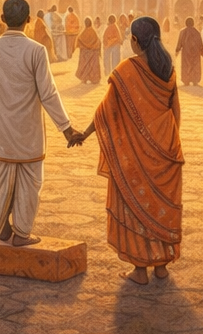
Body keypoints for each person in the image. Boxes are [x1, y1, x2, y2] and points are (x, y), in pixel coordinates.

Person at [69, 16, 182, 285]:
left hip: (135, 152)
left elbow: (106, 110)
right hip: (165, 149)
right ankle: (161, 266)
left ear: (134, 40)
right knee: (159, 207)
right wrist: (168, 143)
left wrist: (84, 133)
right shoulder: (167, 68)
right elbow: (174, 111)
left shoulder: (126, 70)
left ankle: (140, 270)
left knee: (135, 205)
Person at [0, 0, 76, 248]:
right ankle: (22, 233)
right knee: (30, 183)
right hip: (29, 133)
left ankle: (3, 228)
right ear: (28, 20)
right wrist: (66, 129)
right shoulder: (36, 50)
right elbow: (48, 93)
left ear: (3, 19)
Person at [174, 18, 203, 86]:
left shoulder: (183, 31)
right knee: (195, 65)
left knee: (186, 65)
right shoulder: (197, 32)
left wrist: (177, 50)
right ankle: (195, 80)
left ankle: (186, 80)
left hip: (186, 52)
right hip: (195, 52)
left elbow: (179, 42)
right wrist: (202, 53)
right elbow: (200, 44)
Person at [76, 17, 103, 84]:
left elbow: (79, 41)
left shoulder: (83, 32)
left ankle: (85, 78)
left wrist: (85, 47)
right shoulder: (93, 32)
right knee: (93, 65)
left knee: (85, 65)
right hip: (93, 52)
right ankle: (94, 79)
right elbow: (98, 42)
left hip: (85, 53)